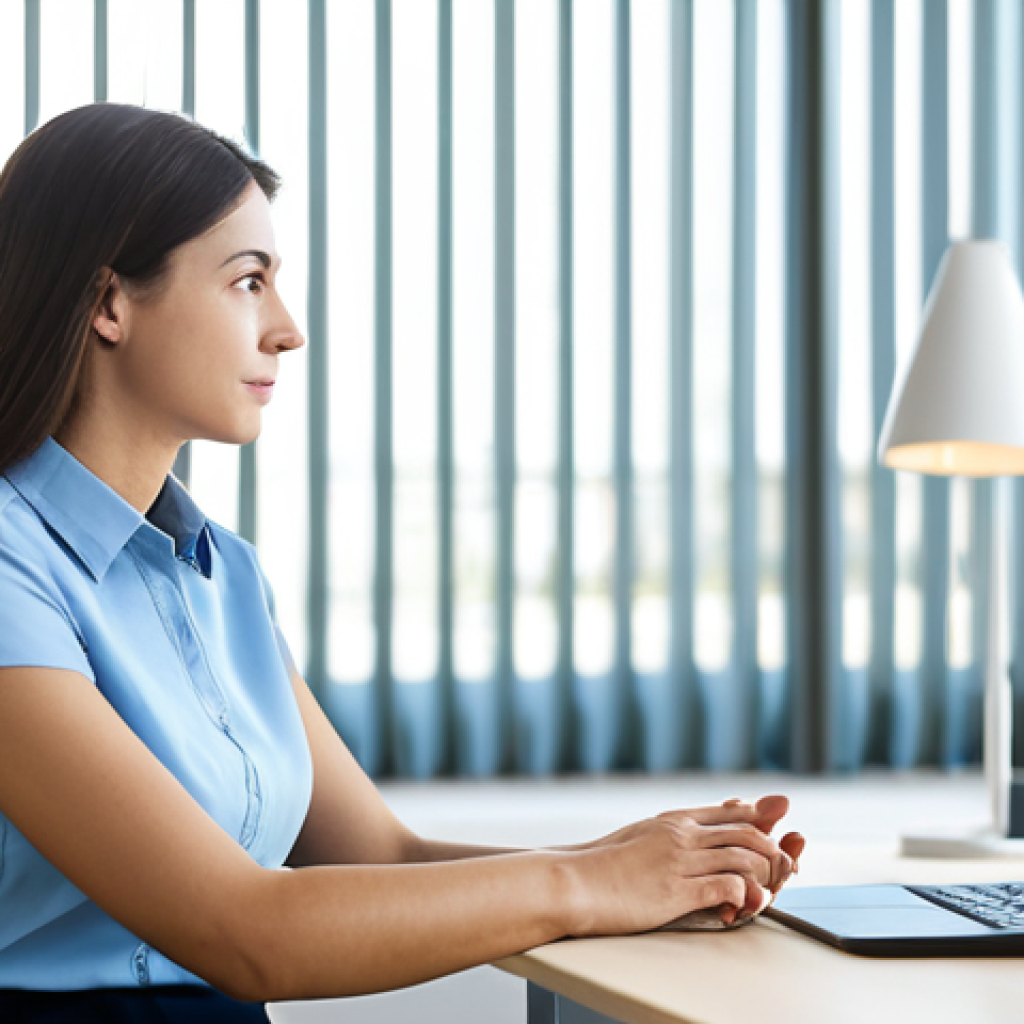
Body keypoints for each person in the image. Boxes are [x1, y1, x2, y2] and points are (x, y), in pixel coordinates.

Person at [0, 103, 804, 1022]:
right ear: (109, 304)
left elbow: (376, 858)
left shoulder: (222, 576)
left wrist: (636, 868)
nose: (287, 329)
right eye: (248, 281)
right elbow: (245, 932)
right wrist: (590, 886)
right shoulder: (11, 568)